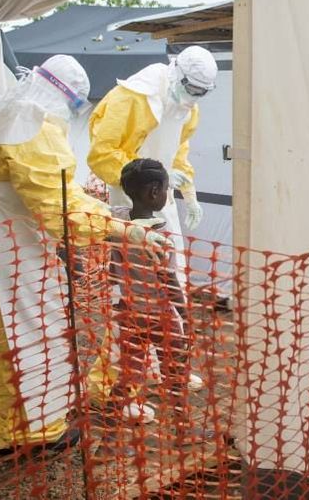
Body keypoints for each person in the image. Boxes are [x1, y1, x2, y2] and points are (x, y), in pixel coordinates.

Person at [0, 55, 168, 453]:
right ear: (65, 96)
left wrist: (108, 219)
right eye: (77, 105)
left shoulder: (8, 109)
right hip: (0, 247)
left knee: (18, 338)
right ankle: (28, 436)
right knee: (26, 336)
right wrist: (118, 227)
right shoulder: (31, 123)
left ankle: (22, 427)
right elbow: (56, 203)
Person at [86, 46, 218, 399]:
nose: (193, 99)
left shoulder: (187, 106)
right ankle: (116, 385)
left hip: (163, 197)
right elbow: (101, 154)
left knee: (174, 280)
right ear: (177, 74)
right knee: (132, 297)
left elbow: (180, 153)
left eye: (200, 94)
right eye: (191, 90)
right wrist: (143, 184)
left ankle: (171, 369)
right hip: (131, 199)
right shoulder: (134, 96)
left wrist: (186, 192)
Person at [104, 159, 201, 444]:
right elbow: (168, 281)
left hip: (129, 311)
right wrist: (186, 315)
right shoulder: (161, 232)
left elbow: (113, 268)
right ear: (154, 191)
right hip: (160, 315)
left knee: (128, 378)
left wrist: (116, 295)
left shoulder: (118, 221)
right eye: (167, 190)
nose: (168, 195)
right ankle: (184, 431)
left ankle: (108, 441)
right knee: (176, 373)